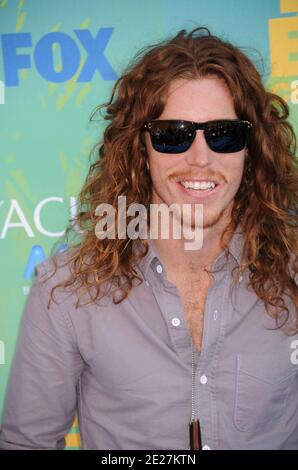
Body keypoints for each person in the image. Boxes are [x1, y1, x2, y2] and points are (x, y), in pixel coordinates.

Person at [0, 26, 297, 451]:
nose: (200, 158)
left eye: (223, 134)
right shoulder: (67, 292)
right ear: (141, 149)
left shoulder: (294, 275)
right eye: (173, 135)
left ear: (251, 149)